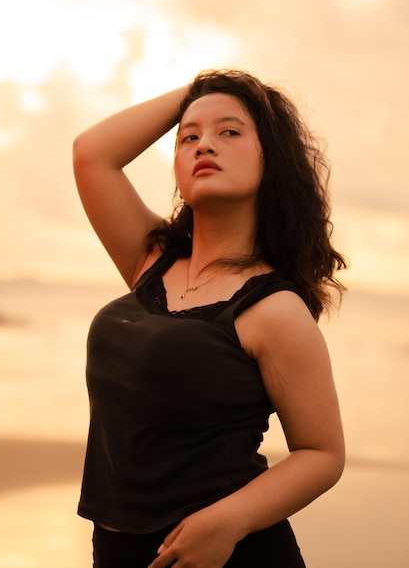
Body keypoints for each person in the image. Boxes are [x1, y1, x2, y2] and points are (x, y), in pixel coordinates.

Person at [73, 69, 347, 568]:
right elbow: (93, 154)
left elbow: (322, 453)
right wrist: (203, 89)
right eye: (189, 137)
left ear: (272, 159)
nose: (204, 145)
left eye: (230, 132)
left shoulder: (274, 308)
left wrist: (230, 520)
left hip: (227, 554)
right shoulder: (150, 262)